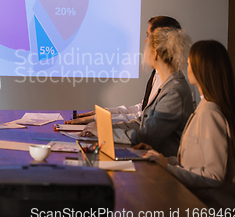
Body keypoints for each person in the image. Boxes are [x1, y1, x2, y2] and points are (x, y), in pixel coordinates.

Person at [145, 40, 235, 210]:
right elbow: (192, 162)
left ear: (201, 69)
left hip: (210, 208)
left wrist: (167, 167)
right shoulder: (205, 108)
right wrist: (163, 159)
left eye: (189, 63)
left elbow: (213, 175)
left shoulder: (211, 113)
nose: (186, 66)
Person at [81, 27, 194, 157]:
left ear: (155, 53)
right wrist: (105, 129)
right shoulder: (168, 86)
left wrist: (104, 133)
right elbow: (140, 122)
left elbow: (148, 135)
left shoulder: (174, 91)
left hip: (161, 165)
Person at [66, 16, 182, 125]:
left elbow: (144, 119)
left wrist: (100, 119)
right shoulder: (157, 73)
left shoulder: (172, 83)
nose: (146, 41)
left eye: (148, 36)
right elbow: (143, 108)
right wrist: (105, 113)